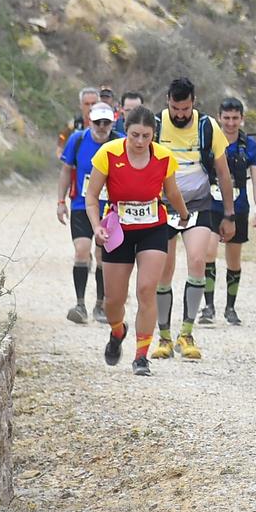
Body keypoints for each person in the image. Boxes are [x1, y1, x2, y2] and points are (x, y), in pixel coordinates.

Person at [83, 106, 189, 376]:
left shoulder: (164, 157)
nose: (140, 142)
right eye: (134, 136)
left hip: (153, 227)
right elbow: (92, 196)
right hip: (118, 230)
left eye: (146, 136)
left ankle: (141, 356)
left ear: (154, 134)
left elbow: (172, 192)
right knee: (112, 301)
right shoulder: (108, 154)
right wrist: (96, 226)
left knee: (146, 289)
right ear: (125, 132)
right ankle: (118, 331)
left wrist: (185, 214)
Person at [151, 78, 230, 361]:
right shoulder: (157, 124)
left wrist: (229, 214)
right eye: (175, 108)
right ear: (167, 102)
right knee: (164, 268)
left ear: (194, 102)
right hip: (162, 205)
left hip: (199, 204)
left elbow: (222, 172)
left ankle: (186, 333)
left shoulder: (208, 127)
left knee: (197, 260)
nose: (180, 114)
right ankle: (163, 337)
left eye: (185, 108)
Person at [201, 98, 256, 326]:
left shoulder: (250, 147)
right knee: (208, 253)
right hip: (211, 205)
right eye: (226, 118)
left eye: (235, 118)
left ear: (242, 119)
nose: (230, 123)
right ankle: (208, 306)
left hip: (238, 207)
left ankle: (230, 306)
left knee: (233, 258)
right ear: (219, 117)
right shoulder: (208, 142)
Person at [57, 103, 117, 323]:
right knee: (82, 250)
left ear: (113, 122)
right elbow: (66, 171)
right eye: (97, 122)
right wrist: (60, 201)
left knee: (102, 255)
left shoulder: (120, 141)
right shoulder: (78, 139)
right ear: (89, 121)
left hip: (109, 208)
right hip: (82, 205)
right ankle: (80, 304)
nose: (102, 127)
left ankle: (100, 306)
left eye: (106, 122)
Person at [56, 86, 97, 161]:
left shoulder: (105, 124)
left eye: (93, 103)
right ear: (81, 106)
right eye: (87, 104)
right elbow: (62, 136)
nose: (91, 107)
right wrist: (59, 151)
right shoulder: (75, 122)